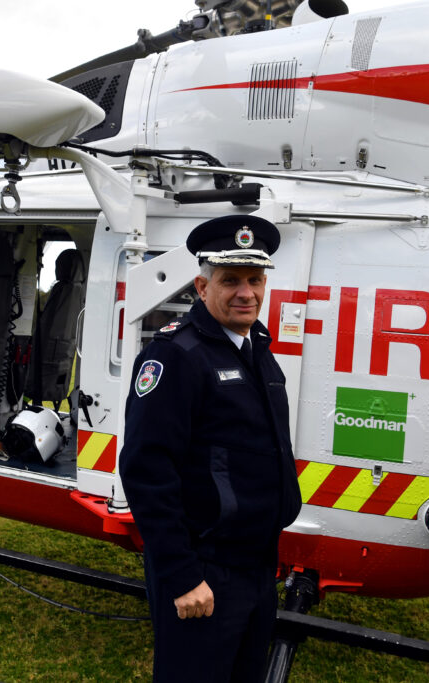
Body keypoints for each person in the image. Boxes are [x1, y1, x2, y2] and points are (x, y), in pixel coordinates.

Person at [119, 215, 302, 682]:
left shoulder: (256, 347)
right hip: (203, 570)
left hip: (256, 566)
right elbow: (146, 469)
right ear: (202, 286)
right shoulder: (175, 356)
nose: (247, 292)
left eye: (256, 280)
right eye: (230, 281)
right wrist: (181, 575)